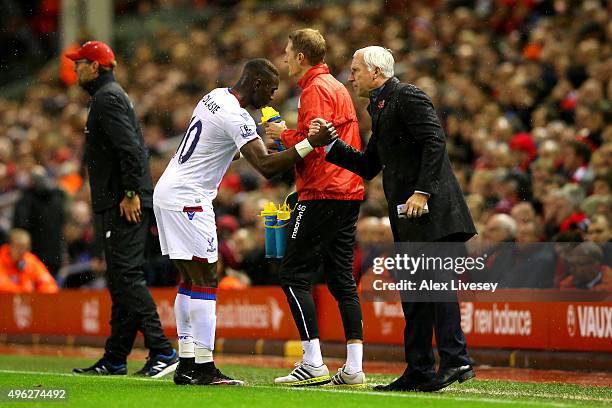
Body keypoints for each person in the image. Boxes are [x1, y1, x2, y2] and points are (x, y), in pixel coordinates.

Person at [153, 58, 336, 386]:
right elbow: (266, 167)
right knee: (208, 278)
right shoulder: (236, 116)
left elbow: (220, 146)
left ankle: (186, 361)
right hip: (190, 198)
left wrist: (240, 147)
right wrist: (311, 144)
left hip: (169, 190)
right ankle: (203, 367)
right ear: (256, 84)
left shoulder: (214, 96)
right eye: (271, 88)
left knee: (189, 278)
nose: (273, 95)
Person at [309, 46, 477, 392]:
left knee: (434, 287)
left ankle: (455, 359)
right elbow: (370, 165)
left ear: (376, 72)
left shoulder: (407, 96)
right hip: (413, 218)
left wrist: (423, 192)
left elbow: (435, 141)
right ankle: (419, 369)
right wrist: (328, 145)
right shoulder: (383, 105)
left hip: (433, 212)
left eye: (355, 71)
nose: (350, 77)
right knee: (416, 294)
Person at [66, 41, 178, 378]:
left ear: (96, 66)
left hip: (123, 202)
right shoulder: (110, 96)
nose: (75, 69)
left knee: (127, 276)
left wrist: (130, 192)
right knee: (120, 278)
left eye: (80, 63)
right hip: (119, 199)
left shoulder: (107, 98)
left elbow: (131, 149)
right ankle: (115, 358)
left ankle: (162, 349)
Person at [264, 29, 366, 387]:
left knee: (293, 274)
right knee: (341, 278)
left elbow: (317, 142)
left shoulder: (315, 89)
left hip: (323, 190)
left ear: (302, 57)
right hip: (348, 189)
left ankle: (313, 361)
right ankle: (354, 366)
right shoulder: (336, 85)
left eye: (289, 53)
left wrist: (282, 135)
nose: (286, 59)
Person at [0, 229, 58, 294]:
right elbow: (3, 287)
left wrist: (37, 297)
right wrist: (26, 292)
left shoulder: (31, 260)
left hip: (29, 301)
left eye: (25, 247)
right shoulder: (1, 261)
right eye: (18, 247)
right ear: (10, 246)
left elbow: (50, 285)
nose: (22, 251)